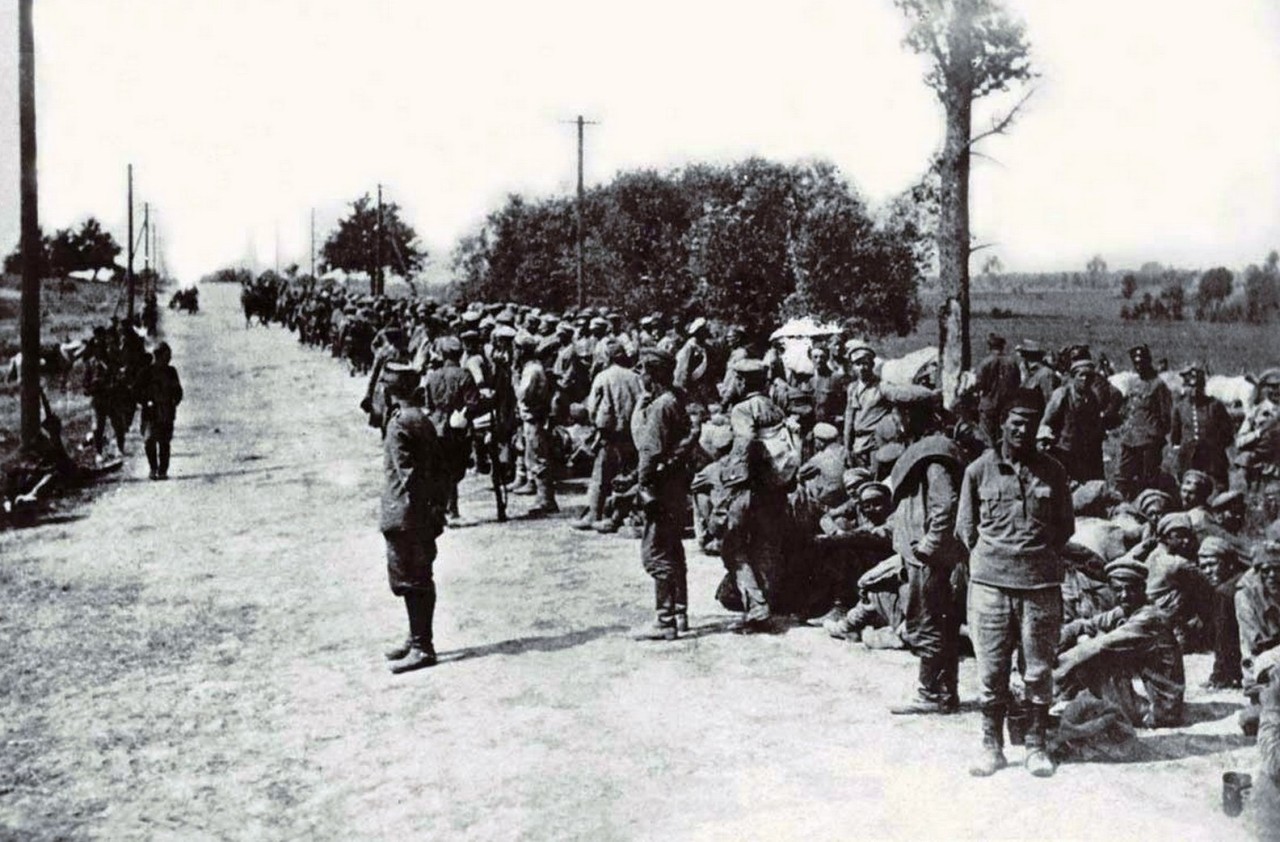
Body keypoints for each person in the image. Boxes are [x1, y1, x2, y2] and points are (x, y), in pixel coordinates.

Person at [958, 388, 1074, 777]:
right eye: (1016, 420)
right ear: (1003, 423)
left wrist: (1034, 556)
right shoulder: (978, 470)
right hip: (990, 585)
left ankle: (1036, 746)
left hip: (1040, 587)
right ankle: (991, 746)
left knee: (1038, 671)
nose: (1023, 428)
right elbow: (966, 530)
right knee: (991, 671)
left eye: (1030, 421)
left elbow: (1064, 528)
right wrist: (996, 560)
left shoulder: (1053, 471)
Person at [883, 383, 966, 717]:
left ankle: (929, 693)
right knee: (940, 622)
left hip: (929, 556)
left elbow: (945, 504)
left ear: (909, 415)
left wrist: (929, 547)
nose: (895, 419)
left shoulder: (934, 455)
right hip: (926, 552)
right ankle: (946, 693)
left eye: (898, 413)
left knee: (928, 621)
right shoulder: (926, 448)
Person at [1054, 558, 1185, 729]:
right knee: (1086, 638)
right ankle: (1063, 697)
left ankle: (1060, 697)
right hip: (1154, 700)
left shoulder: (1149, 618)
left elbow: (1100, 645)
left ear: (1142, 589)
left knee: (1099, 654)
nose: (1124, 595)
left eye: (1130, 589)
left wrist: (1051, 670)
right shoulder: (1126, 610)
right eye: (1118, 590)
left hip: (1161, 710)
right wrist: (1056, 643)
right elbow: (1085, 624)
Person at [380, 363, 450, 674]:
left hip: (407, 514)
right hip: (420, 512)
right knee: (417, 576)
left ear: (389, 390)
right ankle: (416, 637)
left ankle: (423, 646)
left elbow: (409, 476)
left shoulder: (399, 424)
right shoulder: (421, 419)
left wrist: (421, 511)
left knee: (411, 578)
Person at [629, 348, 693, 640]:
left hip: (661, 487)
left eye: (643, 370)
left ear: (652, 374)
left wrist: (642, 485)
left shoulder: (660, 407)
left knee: (655, 553)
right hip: (676, 485)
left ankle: (665, 619)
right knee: (673, 549)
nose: (640, 376)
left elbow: (649, 451)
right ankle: (680, 613)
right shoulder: (675, 400)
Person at [575, 340, 644, 531]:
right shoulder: (635, 377)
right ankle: (625, 514)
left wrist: (595, 424)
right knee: (629, 474)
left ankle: (594, 514)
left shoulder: (603, 377)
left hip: (610, 434)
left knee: (601, 475)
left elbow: (592, 408)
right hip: (631, 434)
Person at [421, 335, 479, 521]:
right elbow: (473, 404)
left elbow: (428, 405)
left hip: (436, 427)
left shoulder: (433, 376)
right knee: (454, 469)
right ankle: (451, 508)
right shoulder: (464, 375)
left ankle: (441, 508)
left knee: (439, 469)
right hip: (457, 428)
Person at [1117, 344, 1173, 499]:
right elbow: (1128, 409)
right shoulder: (1133, 383)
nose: (1138, 366)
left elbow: (1166, 416)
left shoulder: (1158, 385)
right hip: (1130, 439)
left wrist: (1156, 436)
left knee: (1148, 479)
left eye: (1141, 362)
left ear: (1148, 361)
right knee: (1123, 477)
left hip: (1149, 441)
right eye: (1135, 363)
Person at [1170, 363, 1235, 490]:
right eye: (1190, 386)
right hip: (1188, 459)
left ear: (1203, 387)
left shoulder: (1215, 405)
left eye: (1198, 386)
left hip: (1213, 460)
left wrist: (1216, 447)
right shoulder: (1180, 407)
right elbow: (1175, 436)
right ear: (1185, 387)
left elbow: (1228, 432)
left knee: (1217, 489)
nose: (1194, 390)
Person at [1041, 356, 1107, 484]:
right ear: (1074, 376)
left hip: (1083, 451)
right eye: (1081, 375)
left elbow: (1095, 424)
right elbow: (1047, 420)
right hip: (1062, 450)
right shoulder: (1062, 394)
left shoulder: (1092, 397)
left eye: (1089, 376)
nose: (1085, 379)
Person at [138, 342, 183, 480]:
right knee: (149, 440)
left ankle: (163, 470)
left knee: (164, 442)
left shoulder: (171, 371)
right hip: (150, 412)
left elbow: (178, 391)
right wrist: (146, 401)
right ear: (158, 356)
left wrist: (175, 401)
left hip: (166, 411)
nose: (169, 358)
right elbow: (137, 391)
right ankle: (153, 468)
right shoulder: (146, 372)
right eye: (167, 355)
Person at [842, 341, 891, 469]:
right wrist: (847, 447)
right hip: (857, 444)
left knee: (875, 481)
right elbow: (849, 419)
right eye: (858, 364)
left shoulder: (882, 386)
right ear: (852, 366)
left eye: (865, 363)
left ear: (872, 365)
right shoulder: (852, 388)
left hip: (875, 443)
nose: (862, 368)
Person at [974, 333, 1022, 450]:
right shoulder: (1012, 362)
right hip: (1007, 405)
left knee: (988, 439)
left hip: (988, 405)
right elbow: (1017, 382)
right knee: (1006, 436)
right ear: (1003, 346)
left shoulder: (985, 363)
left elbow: (978, 384)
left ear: (989, 347)